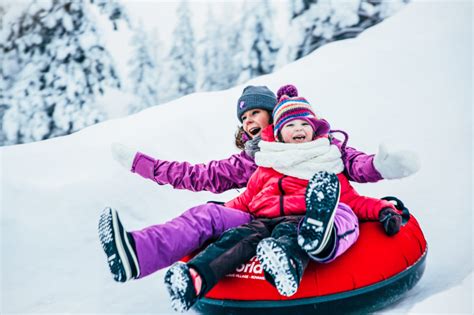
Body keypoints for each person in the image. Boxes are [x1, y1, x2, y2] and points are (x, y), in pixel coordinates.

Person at [98, 85, 419, 283]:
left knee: (336, 215)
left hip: (305, 215)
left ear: (275, 118)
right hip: (257, 216)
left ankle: (316, 240)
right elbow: (197, 175)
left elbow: (355, 166)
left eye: (255, 113)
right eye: (244, 119)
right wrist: (143, 164)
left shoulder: (322, 146)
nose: (249, 122)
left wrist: (380, 166)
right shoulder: (253, 159)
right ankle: (138, 253)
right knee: (207, 214)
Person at [163, 90, 419, 312]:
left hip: (301, 218)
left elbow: (353, 200)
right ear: (279, 135)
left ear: (315, 130)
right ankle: (194, 278)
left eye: (305, 125)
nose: (299, 129)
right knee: (238, 238)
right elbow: (247, 199)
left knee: (291, 235)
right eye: (291, 125)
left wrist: (384, 209)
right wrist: (219, 215)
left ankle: (288, 263)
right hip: (262, 220)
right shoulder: (268, 163)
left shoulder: (328, 160)